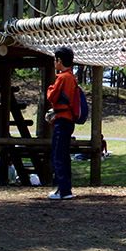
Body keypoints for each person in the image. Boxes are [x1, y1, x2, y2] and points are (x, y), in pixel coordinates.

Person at [45, 47, 80, 200]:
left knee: (58, 155)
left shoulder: (62, 77)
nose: (54, 62)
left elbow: (51, 96)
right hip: (69, 119)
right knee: (64, 155)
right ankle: (66, 188)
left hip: (62, 120)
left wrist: (50, 86)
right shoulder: (72, 77)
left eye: (55, 59)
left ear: (59, 60)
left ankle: (63, 191)